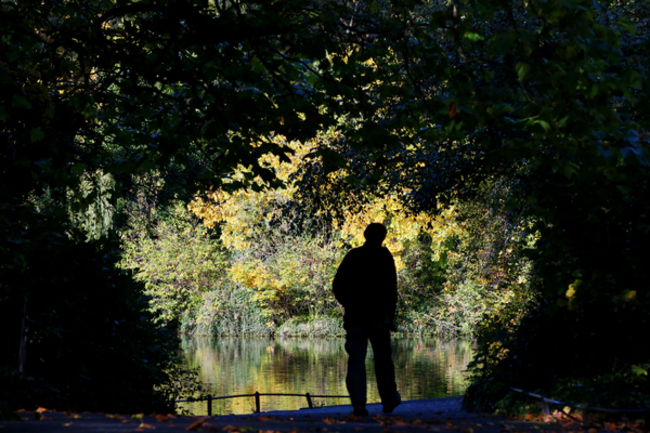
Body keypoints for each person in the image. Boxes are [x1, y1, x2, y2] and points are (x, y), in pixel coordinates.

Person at [332, 223, 401, 416]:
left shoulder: (353, 256)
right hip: (379, 318)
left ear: (365, 235)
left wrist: (348, 304)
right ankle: (388, 400)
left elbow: (337, 284)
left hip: (355, 318)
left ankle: (359, 405)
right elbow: (391, 289)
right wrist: (389, 315)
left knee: (356, 361)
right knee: (383, 361)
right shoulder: (384, 257)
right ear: (383, 237)